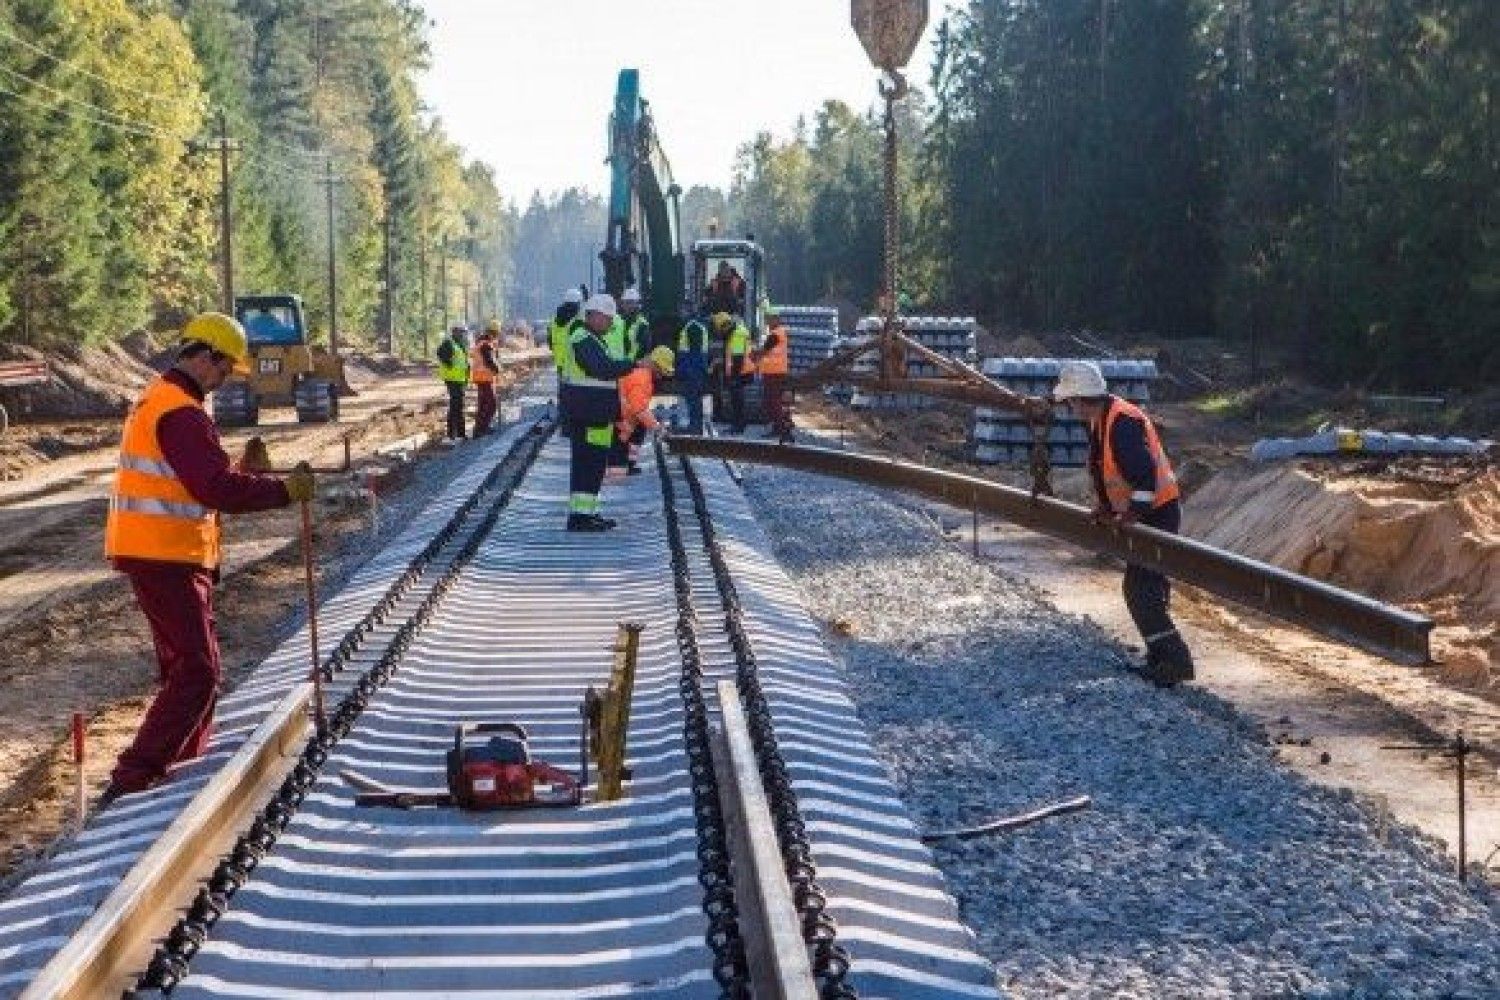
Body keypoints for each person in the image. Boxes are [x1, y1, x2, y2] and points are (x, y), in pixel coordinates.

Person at [102, 313, 314, 802]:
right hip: (165, 553)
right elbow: (213, 488)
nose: (223, 381)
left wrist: (245, 471)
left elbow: (191, 479)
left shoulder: (164, 400)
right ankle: (134, 779)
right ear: (204, 357)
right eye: (223, 370)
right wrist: (283, 490)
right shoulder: (180, 412)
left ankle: (181, 765)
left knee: (191, 666)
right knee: (198, 670)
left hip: (160, 550)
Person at [1053, 360, 1194, 687]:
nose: (1069, 408)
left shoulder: (1122, 422)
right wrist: (1106, 507)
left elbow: (1144, 476)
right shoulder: (1102, 420)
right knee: (1147, 587)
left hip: (1157, 511)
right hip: (1151, 511)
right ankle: (1161, 657)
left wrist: (1132, 514)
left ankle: (1175, 660)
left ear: (1080, 398)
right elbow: (1108, 469)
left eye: (1070, 401)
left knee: (1140, 588)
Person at [559, 294, 638, 531]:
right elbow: (602, 369)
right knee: (587, 464)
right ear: (593, 316)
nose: (610, 324)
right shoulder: (582, 339)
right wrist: (633, 364)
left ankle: (587, 511)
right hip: (588, 414)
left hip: (595, 413)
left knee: (593, 466)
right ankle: (580, 517)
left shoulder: (594, 339)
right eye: (607, 319)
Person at [615, 346, 675, 469]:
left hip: (621, 419)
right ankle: (624, 463)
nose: (661, 375)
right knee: (639, 428)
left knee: (640, 427)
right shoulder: (641, 378)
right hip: (621, 422)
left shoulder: (640, 373)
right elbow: (640, 409)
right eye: (661, 370)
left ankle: (628, 462)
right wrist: (657, 427)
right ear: (654, 365)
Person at [714, 312, 752, 432]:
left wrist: (734, 378)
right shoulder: (734, 332)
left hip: (741, 372)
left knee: (737, 399)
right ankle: (738, 424)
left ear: (725, 326)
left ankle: (738, 425)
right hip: (739, 371)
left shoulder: (737, 334)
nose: (720, 333)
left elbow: (738, 358)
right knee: (736, 399)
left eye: (720, 329)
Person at [755, 308, 790, 438]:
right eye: (766, 319)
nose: (767, 322)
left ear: (775, 319)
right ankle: (778, 427)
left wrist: (752, 355)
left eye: (768, 319)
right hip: (775, 371)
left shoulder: (776, 334)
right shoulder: (778, 333)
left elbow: (764, 351)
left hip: (774, 372)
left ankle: (781, 429)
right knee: (773, 401)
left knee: (772, 402)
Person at [676, 309, 711, 434]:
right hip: (695, 368)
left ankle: (695, 426)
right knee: (695, 398)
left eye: (683, 311)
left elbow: (695, 352)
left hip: (693, 369)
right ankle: (696, 425)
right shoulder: (696, 326)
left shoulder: (693, 327)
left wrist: (687, 369)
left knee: (693, 398)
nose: (680, 313)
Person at [436, 325, 470, 441]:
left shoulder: (460, 346)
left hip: (459, 380)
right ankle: (453, 433)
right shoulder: (449, 343)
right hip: (452, 379)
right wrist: (448, 363)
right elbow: (440, 353)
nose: (463, 335)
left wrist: (466, 378)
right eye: (461, 333)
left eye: (464, 333)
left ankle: (460, 433)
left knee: (459, 406)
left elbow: (463, 363)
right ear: (455, 333)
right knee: (455, 406)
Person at [471, 320, 502, 435]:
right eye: (496, 333)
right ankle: (483, 428)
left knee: (483, 404)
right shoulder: (486, 345)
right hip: (484, 378)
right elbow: (489, 361)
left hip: (481, 378)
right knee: (492, 404)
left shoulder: (482, 342)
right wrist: (498, 370)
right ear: (494, 332)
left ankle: (478, 429)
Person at [549, 288, 583, 383]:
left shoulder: (554, 321)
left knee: (563, 387)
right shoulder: (578, 320)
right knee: (576, 388)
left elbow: (550, 342)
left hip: (560, 362)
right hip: (575, 361)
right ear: (577, 302)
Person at [617, 286, 649, 361]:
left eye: (631, 302)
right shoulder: (619, 320)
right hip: (619, 363)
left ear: (637, 304)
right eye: (626, 303)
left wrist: (629, 361)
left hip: (633, 363)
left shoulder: (642, 324)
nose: (629, 306)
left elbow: (640, 347)